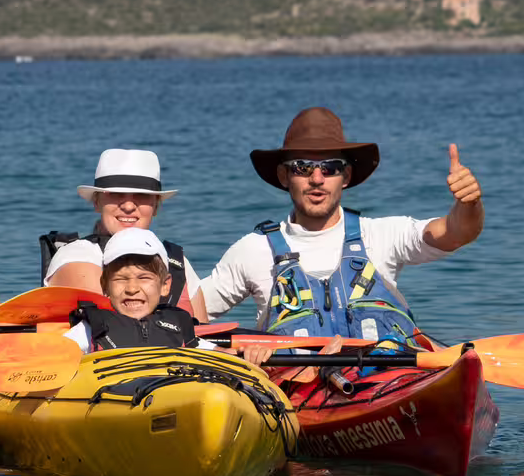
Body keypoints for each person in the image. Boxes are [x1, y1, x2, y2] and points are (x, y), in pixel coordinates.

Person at [198, 107, 484, 346]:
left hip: (388, 388)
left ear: (345, 176)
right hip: (301, 398)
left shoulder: (381, 235)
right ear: (284, 176)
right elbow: (187, 316)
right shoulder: (253, 250)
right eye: (302, 167)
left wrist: (469, 204)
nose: (317, 178)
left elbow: (457, 232)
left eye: (331, 167)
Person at [41, 148, 209, 320]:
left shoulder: (178, 263)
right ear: (97, 202)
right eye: (115, 194)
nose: (128, 206)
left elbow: (205, 332)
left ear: (156, 206)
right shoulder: (77, 256)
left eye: (141, 195)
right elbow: (113, 328)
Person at [62, 229, 208, 352]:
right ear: (105, 285)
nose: (132, 289)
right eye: (121, 279)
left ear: (165, 285)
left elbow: (209, 350)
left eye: (144, 278)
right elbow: (56, 353)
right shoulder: (92, 329)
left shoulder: (179, 324)